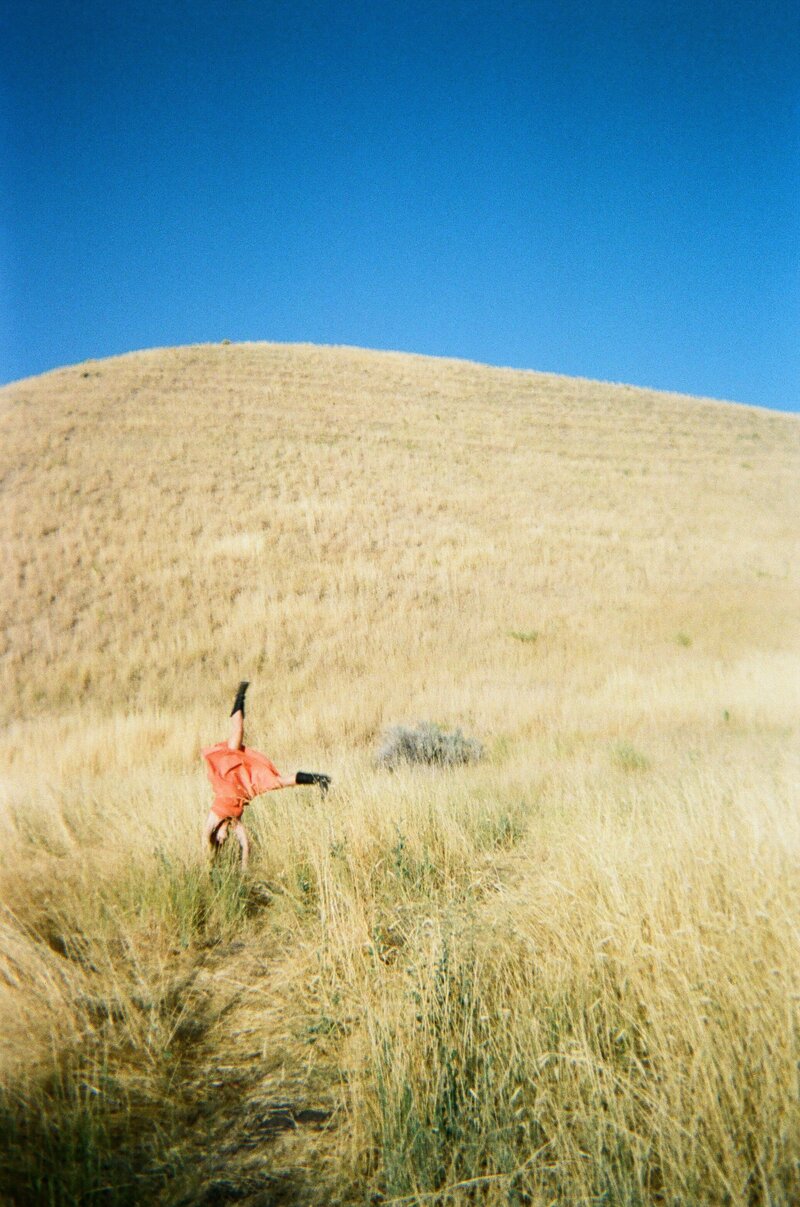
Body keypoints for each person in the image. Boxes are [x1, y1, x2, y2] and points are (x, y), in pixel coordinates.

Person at [202, 681, 330, 869]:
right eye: (224, 841)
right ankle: (319, 779)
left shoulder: (214, 818)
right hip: (246, 785)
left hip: (227, 771)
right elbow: (246, 844)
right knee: (278, 782)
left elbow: (204, 840)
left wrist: (209, 860)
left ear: (215, 835)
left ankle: (240, 696)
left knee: (237, 731)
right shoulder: (234, 823)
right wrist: (244, 868)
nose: (224, 839)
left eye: (220, 839)